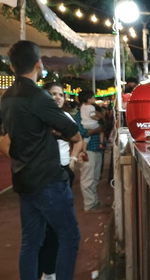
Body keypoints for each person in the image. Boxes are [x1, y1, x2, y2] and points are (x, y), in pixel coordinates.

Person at [1, 40, 81, 280]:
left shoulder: (6, 97)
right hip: (48, 180)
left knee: (31, 242)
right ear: (38, 64)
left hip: (23, 179)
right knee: (70, 236)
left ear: (13, 67)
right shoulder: (38, 97)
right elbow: (72, 131)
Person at [38, 82, 84, 280]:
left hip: (63, 172)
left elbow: (79, 139)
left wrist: (73, 158)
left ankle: (51, 270)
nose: (57, 97)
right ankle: (48, 271)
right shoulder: (38, 118)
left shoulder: (65, 117)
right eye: (52, 94)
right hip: (44, 175)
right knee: (47, 229)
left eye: (60, 94)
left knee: (59, 228)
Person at [74, 95, 107, 213]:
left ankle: (94, 201)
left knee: (95, 177)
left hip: (97, 148)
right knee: (88, 177)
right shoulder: (79, 116)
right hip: (87, 150)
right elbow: (83, 133)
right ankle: (89, 205)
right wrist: (97, 129)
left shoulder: (94, 113)